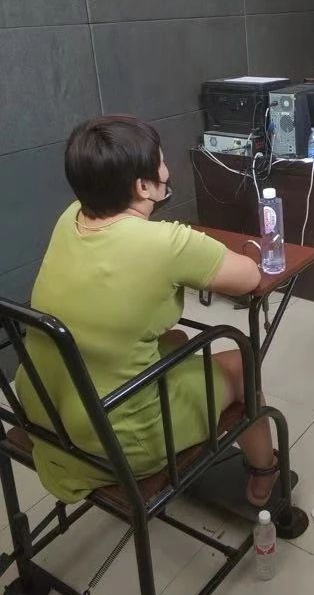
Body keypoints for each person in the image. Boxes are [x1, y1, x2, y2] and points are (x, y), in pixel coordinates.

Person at [16, 115, 278, 506]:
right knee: (241, 361)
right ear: (142, 186)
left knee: (176, 338)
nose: (167, 169)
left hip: (43, 411)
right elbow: (249, 276)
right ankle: (265, 471)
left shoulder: (69, 217)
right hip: (117, 441)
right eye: (161, 161)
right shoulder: (166, 244)